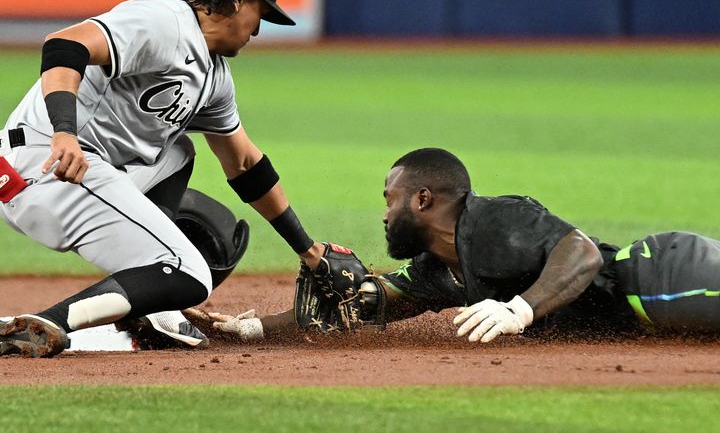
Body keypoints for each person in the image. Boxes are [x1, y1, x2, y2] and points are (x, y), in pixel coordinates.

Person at [0, 0, 333, 358]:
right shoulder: (164, 21)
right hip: (48, 165)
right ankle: (52, 320)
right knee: (190, 273)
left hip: (74, 170)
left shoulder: (213, 75)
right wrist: (64, 131)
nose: (258, 28)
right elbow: (64, 45)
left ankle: (146, 305)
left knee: (178, 151)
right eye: (262, 13)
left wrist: (309, 251)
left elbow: (245, 163)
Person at [209, 147, 720, 343]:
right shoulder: (438, 271)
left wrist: (520, 310)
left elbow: (582, 252)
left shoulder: (496, 218)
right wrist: (251, 327)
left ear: (424, 200)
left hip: (657, 279)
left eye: (391, 200)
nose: (384, 215)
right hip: (645, 307)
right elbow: (360, 303)